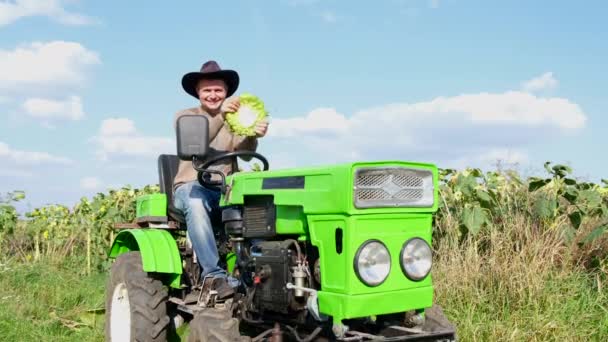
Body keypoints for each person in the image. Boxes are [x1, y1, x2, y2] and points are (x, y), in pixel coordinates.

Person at [172, 60, 268, 298]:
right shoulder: (186, 117)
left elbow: (243, 152)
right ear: (198, 92)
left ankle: (259, 272)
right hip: (191, 187)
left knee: (261, 207)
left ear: (226, 92)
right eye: (207, 90)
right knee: (195, 200)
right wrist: (221, 117)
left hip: (225, 190)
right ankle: (214, 276)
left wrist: (253, 135)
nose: (213, 95)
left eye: (218, 90)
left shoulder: (234, 120)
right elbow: (198, 144)